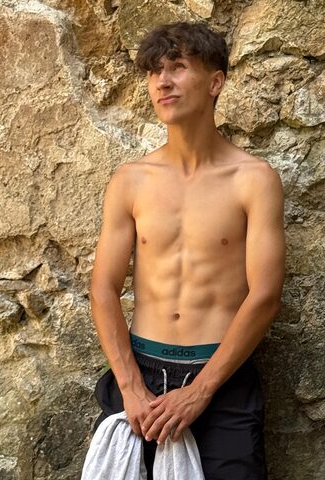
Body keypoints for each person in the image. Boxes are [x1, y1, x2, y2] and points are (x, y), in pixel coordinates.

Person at [89, 20, 285, 480]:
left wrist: (200, 391)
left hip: (221, 380)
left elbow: (265, 296)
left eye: (177, 67)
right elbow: (103, 288)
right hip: (138, 379)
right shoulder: (131, 181)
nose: (162, 82)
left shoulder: (253, 180)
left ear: (215, 82)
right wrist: (130, 388)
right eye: (154, 71)